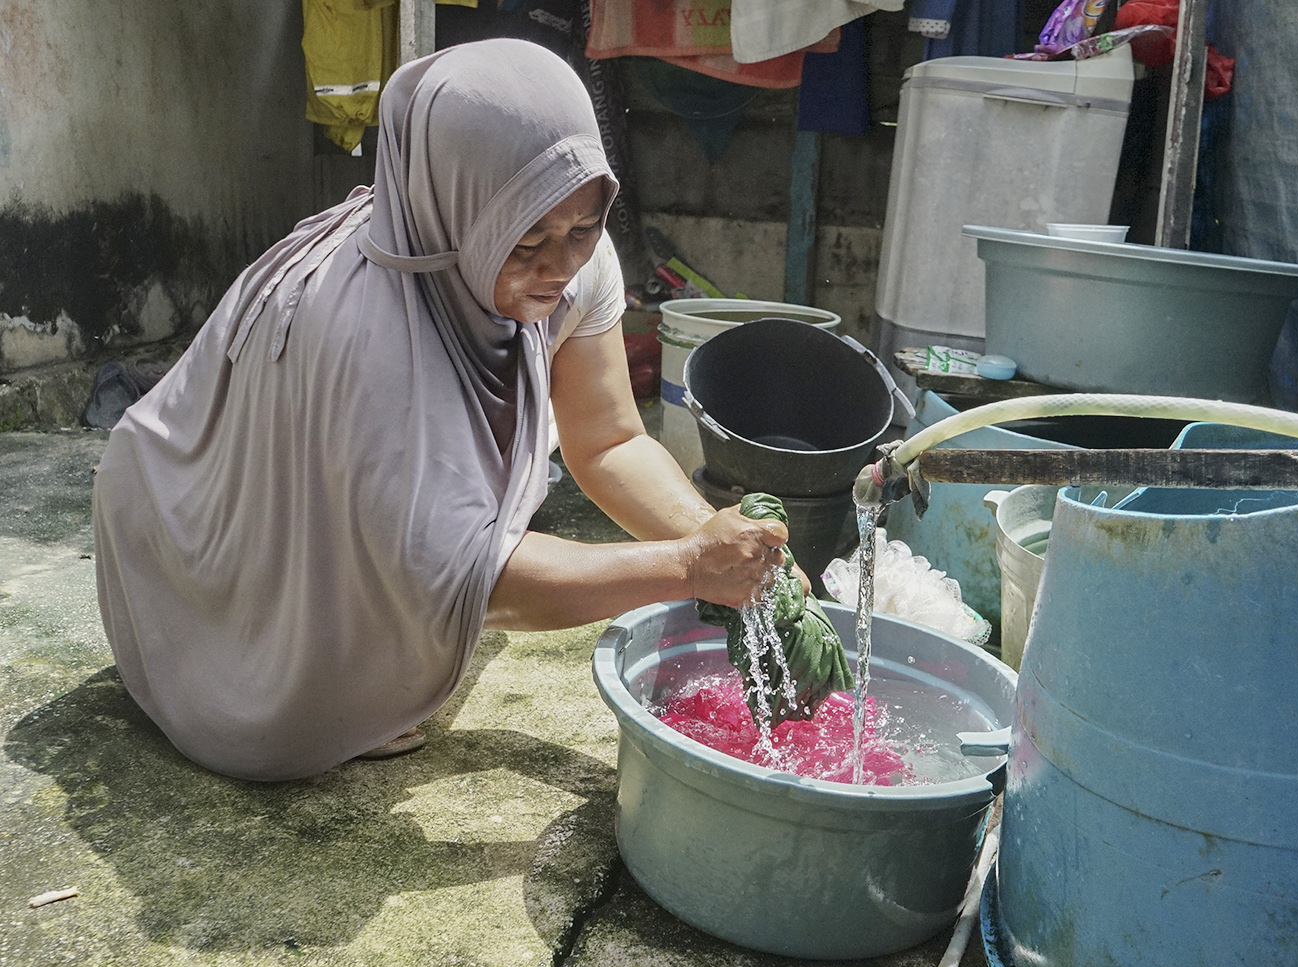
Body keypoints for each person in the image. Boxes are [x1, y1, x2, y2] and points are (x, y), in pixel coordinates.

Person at [92, 40, 791, 782]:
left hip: (333, 507)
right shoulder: (367, 327)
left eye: (583, 229)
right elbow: (465, 578)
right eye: (526, 243)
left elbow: (610, 438)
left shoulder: (565, 258)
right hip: (198, 552)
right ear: (451, 215)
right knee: (318, 703)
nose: (560, 267)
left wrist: (731, 548)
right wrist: (685, 567)